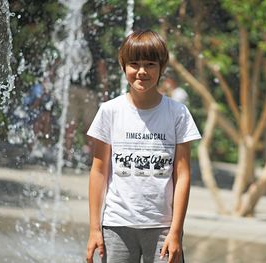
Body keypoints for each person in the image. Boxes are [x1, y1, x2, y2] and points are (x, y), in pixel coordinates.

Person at [86, 29, 201, 263]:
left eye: (150, 64)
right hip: (117, 225)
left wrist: (176, 231)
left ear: (161, 67)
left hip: (162, 228)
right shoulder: (110, 111)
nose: (141, 71)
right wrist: (94, 229)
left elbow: (183, 175)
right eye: (134, 64)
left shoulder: (177, 113)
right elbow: (98, 171)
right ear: (123, 66)